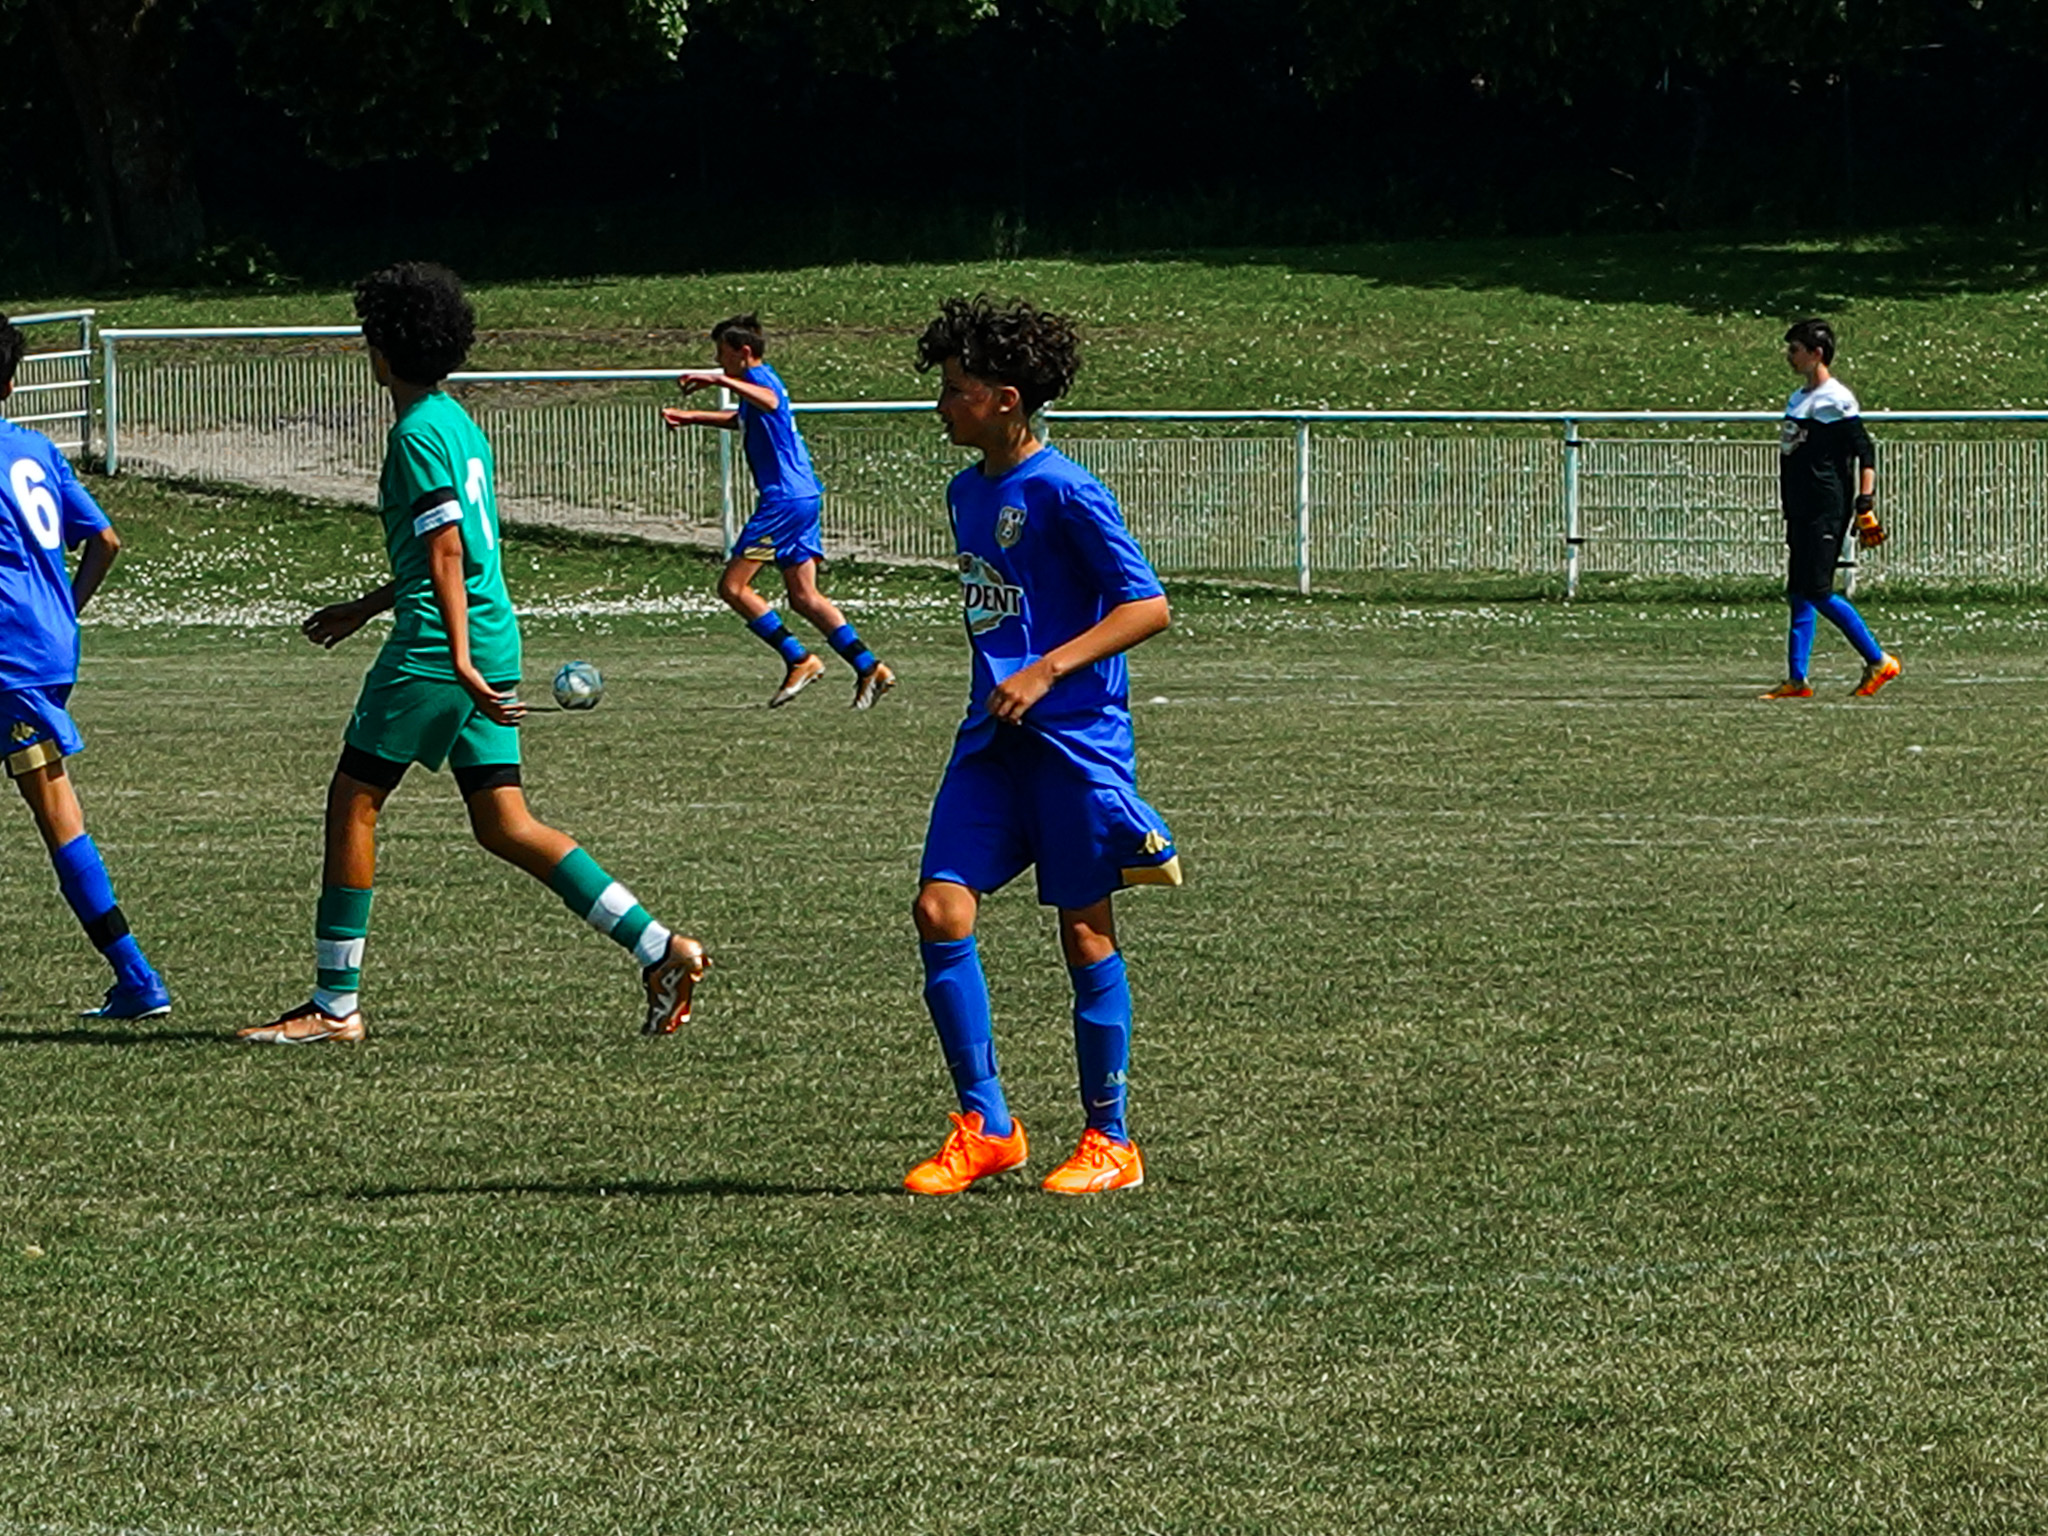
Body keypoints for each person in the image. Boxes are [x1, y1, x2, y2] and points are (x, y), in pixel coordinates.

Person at [242, 262, 706, 1044]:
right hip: (490, 633)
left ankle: (334, 1005)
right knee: (505, 822)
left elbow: (450, 552)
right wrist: (367, 605)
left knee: (352, 801)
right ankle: (659, 948)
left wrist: (453, 660)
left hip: (439, 647)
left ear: (382, 350)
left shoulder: (416, 432)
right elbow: (451, 550)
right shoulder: (456, 420)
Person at [901, 294, 1182, 1197]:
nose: (940, 404)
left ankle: (1112, 1141)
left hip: (1071, 740)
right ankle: (986, 1124)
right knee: (940, 910)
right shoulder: (965, 492)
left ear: (1006, 399)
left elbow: (1149, 606)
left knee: (1084, 930)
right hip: (993, 739)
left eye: (956, 390)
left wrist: (1047, 670)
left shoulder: (1066, 490)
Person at [0, 316, 171, 1020]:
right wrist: (64, 610)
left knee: (57, 814)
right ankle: (134, 979)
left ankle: (137, 976)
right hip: (44, 648)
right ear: (10, 382)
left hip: (8, 657)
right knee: (55, 807)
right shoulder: (34, 448)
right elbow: (103, 539)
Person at [661, 314, 894, 709]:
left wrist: (717, 381)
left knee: (733, 588)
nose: (719, 363)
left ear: (743, 353)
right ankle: (870, 667)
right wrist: (692, 417)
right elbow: (747, 419)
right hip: (803, 497)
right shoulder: (754, 386)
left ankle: (800, 660)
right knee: (804, 596)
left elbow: (768, 402)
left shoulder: (761, 380)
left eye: (722, 356)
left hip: (783, 500)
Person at [1761, 318, 1900, 701]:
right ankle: (1797, 679)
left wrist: (1865, 503)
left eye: (1795, 349)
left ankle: (1879, 660)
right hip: (1800, 506)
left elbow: (1864, 451)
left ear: (1816, 354)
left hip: (1827, 507)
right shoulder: (1798, 398)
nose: (1789, 356)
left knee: (1818, 590)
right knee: (1799, 592)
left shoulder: (1836, 400)